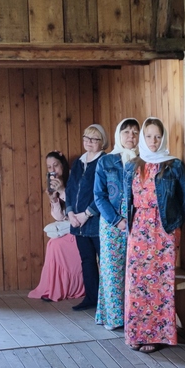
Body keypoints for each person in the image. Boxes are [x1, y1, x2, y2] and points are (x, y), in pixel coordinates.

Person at [124, 118, 185, 354]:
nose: (153, 141)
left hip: (164, 229)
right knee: (137, 282)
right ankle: (136, 333)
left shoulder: (174, 165)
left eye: (158, 136)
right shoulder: (132, 166)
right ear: (143, 138)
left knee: (160, 284)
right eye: (149, 136)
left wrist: (174, 226)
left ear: (163, 138)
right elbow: (127, 199)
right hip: (138, 227)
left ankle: (157, 335)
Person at [93, 118, 139, 330]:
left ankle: (133, 318)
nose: (131, 136)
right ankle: (113, 318)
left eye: (135, 132)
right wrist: (117, 220)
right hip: (112, 223)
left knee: (134, 271)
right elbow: (99, 196)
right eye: (126, 132)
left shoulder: (143, 161)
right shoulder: (106, 161)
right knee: (112, 271)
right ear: (118, 135)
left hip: (137, 223)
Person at [28, 151, 84, 302]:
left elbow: (78, 207)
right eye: (49, 167)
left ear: (63, 166)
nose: (53, 170)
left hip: (82, 227)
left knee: (55, 245)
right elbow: (59, 217)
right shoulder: (54, 182)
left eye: (56, 165)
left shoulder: (75, 179)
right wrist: (54, 200)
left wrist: (62, 191)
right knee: (52, 243)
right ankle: (53, 287)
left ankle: (65, 287)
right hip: (69, 227)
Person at [67, 125, 107, 311]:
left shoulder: (104, 161)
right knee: (87, 260)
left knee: (104, 261)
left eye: (94, 139)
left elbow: (105, 192)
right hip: (77, 222)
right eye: (86, 138)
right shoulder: (78, 162)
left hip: (96, 221)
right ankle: (92, 298)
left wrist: (87, 214)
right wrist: (70, 213)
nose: (89, 142)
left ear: (102, 142)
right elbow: (70, 189)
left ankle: (107, 302)